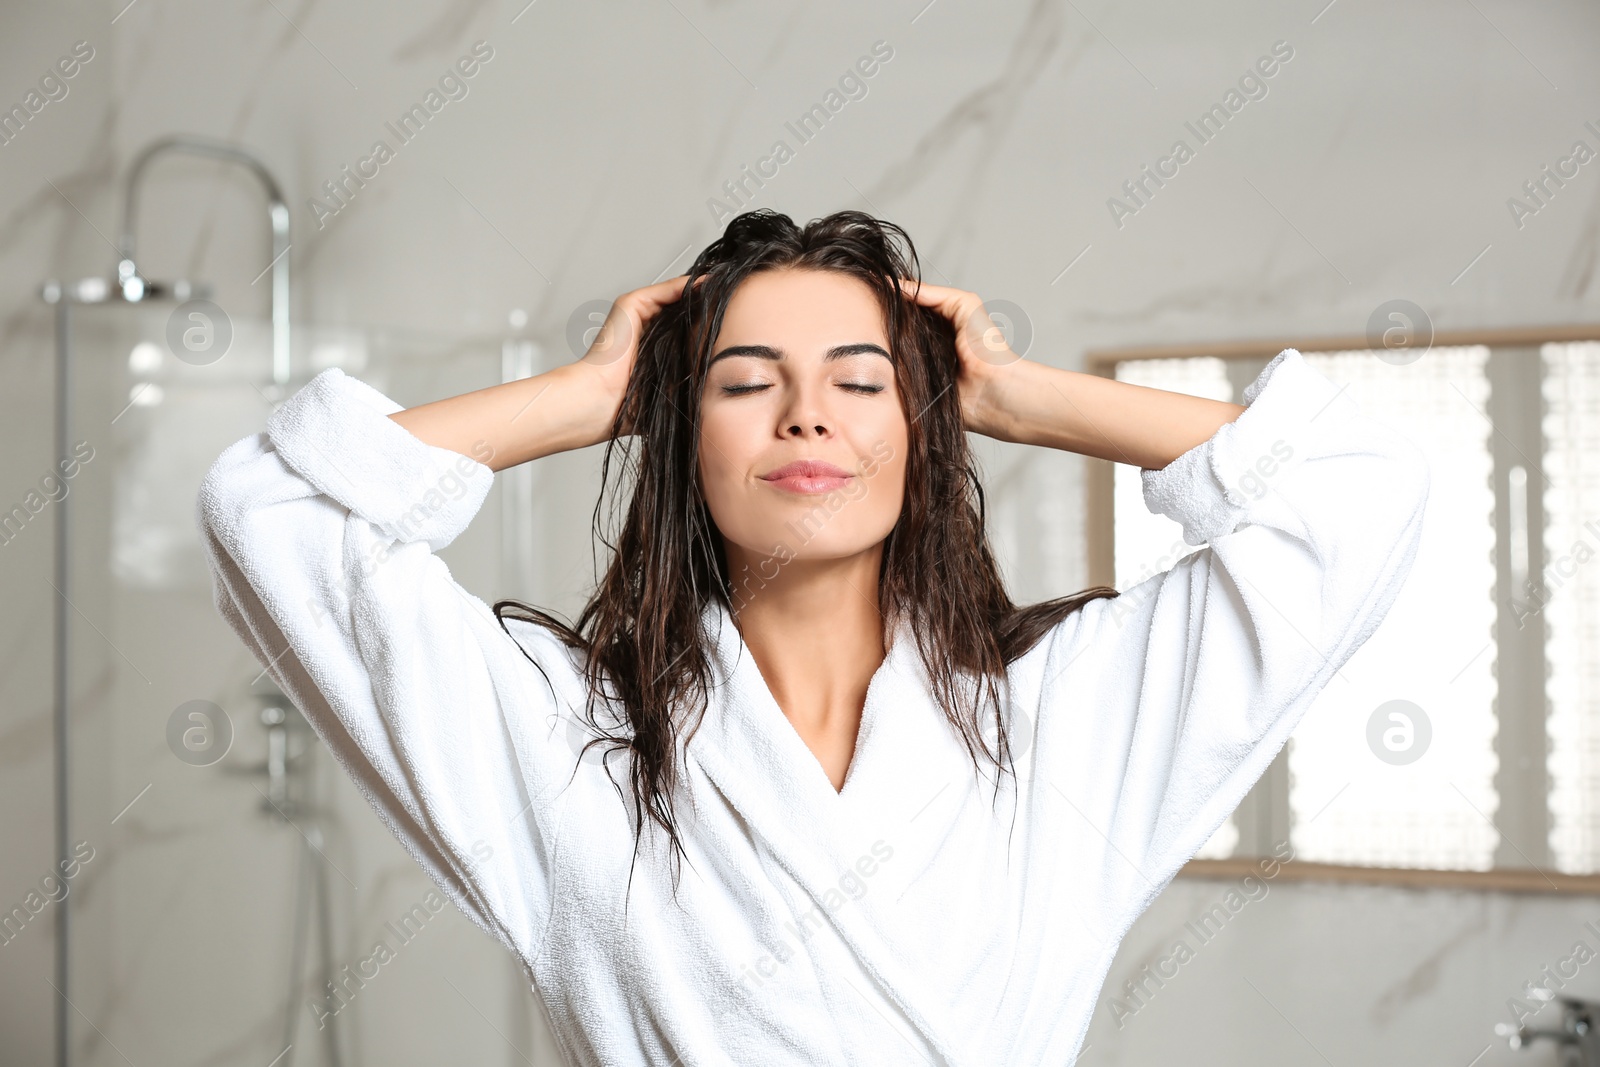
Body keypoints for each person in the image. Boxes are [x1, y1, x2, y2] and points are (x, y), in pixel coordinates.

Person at [197, 209, 1429, 1065]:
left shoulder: (1069, 719)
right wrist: (586, 400)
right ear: (681, 433)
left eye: (860, 379)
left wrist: (1016, 394)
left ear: (924, 426)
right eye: (742, 383)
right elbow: (268, 512)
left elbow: (1360, 491)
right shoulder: (570, 741)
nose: (804, 416)